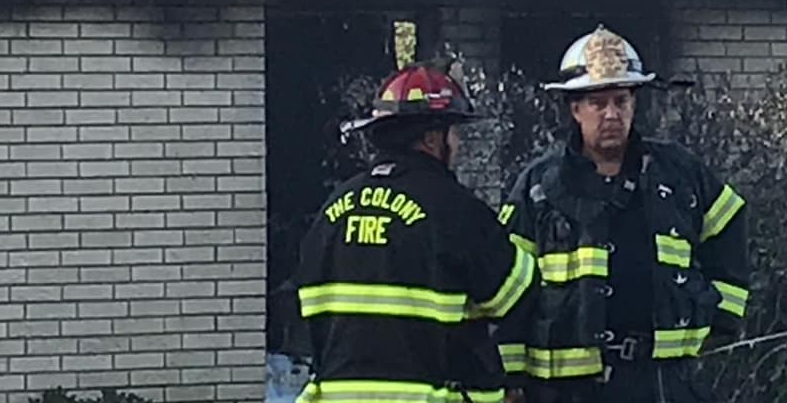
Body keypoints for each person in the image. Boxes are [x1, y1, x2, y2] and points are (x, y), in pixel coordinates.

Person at [496, 25, 749, 402]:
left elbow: (729, 228)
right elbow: (507, 288)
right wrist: (510, 378)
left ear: (634, 104)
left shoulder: (680, 174)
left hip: (662, 382)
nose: (611, 114)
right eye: (598, 103)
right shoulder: (538, 187)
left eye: (621, 101)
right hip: (567, 391)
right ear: (575, 108)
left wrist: (720, 317)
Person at [294, 59, 537, 403]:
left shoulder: (332, 210)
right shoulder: (454, 209)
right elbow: (516, 294)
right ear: (432, 138)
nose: (459, 145)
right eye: (454, 133)